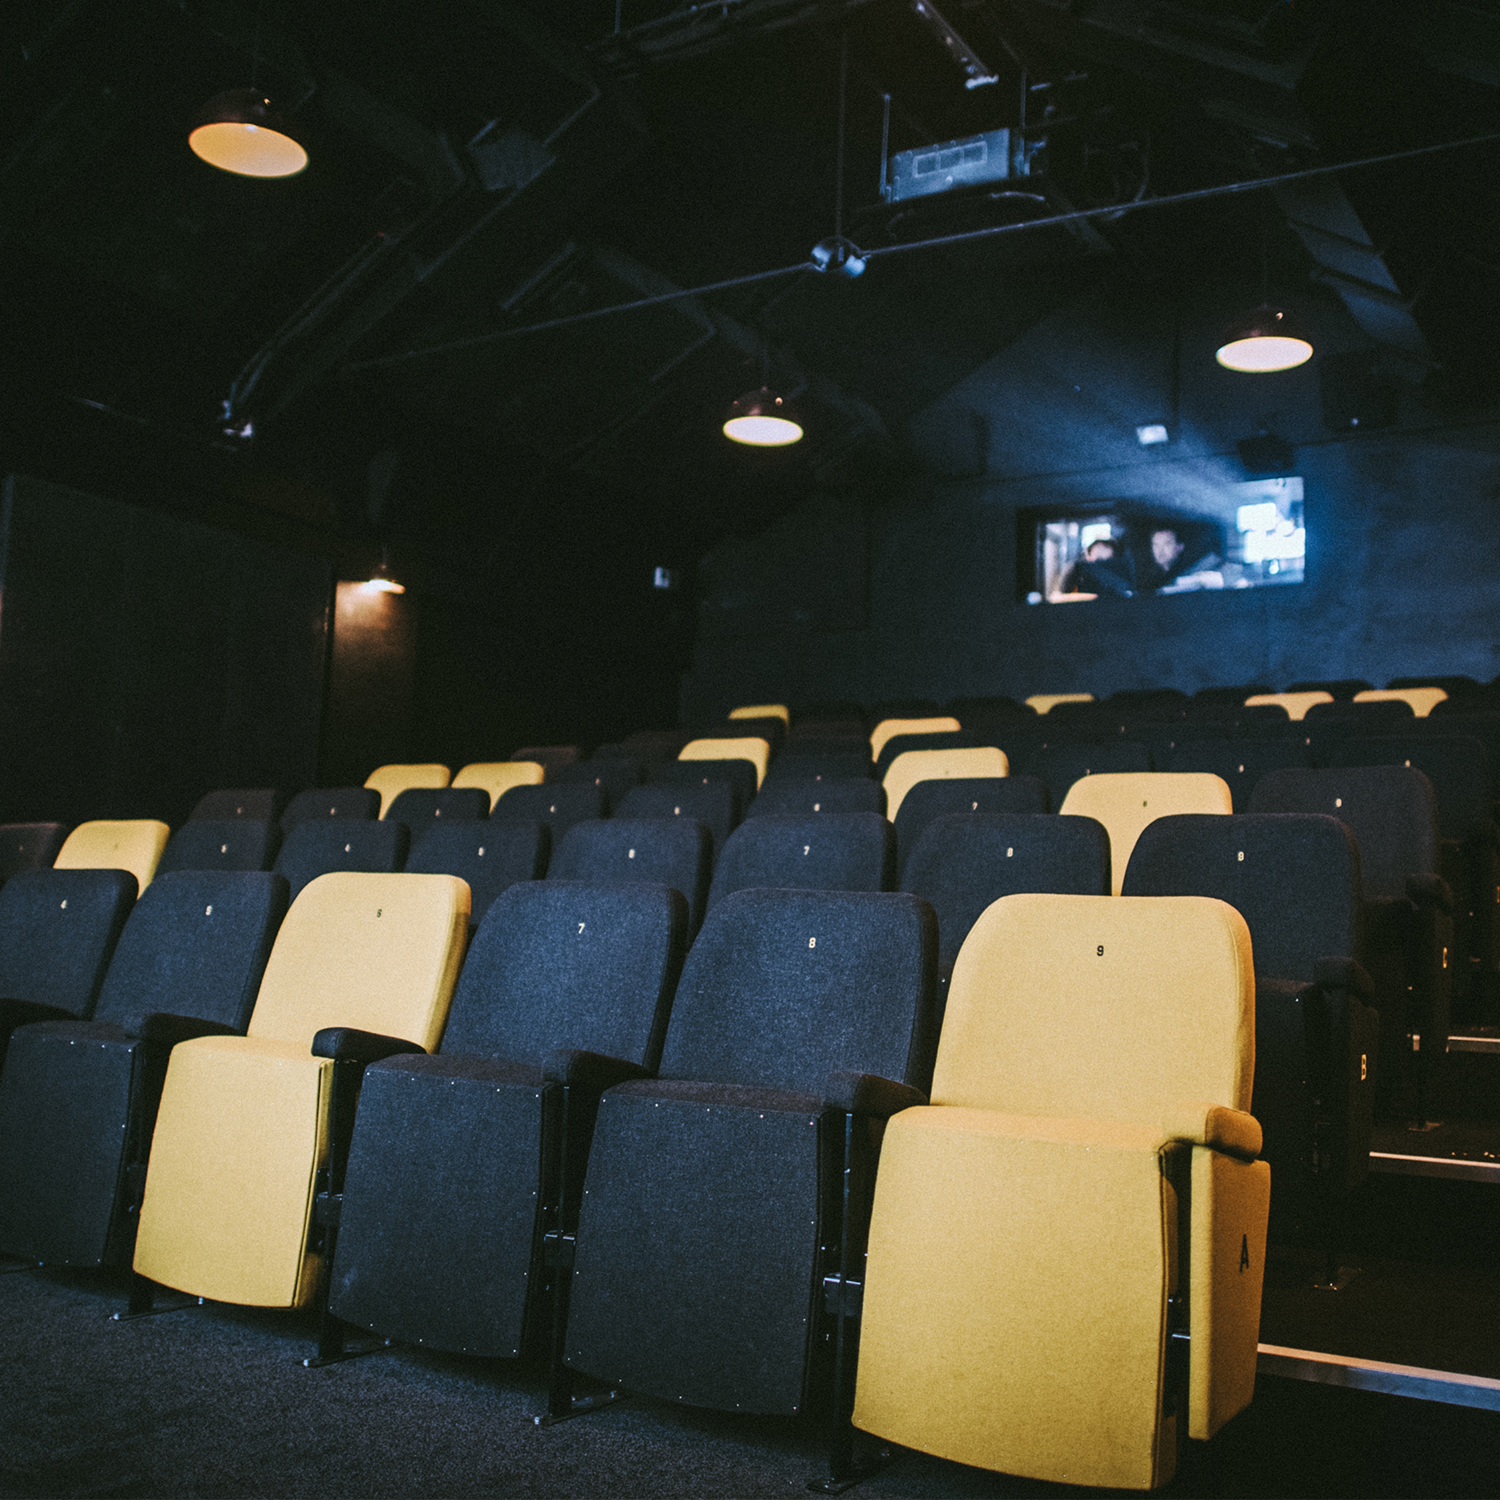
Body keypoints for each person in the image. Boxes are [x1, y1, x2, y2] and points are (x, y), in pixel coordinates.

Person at [1061, 536, 1134, 597]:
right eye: (1097, 561)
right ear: (1087, 558)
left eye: (1106, 563)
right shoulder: (1078, 573)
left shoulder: (1121, 582)